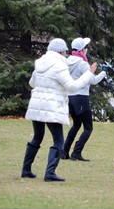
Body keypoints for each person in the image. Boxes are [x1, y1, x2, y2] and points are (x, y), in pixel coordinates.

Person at [21, 38, 97, 182]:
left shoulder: (40, 64)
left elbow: (32, 83)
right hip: (52, 107)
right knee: (58, 141)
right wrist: (89, 74)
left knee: (37, 137)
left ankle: (26, 169)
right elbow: (72, 86)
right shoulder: (59, 65)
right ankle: (50, 173)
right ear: (61, 51)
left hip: (37, 106)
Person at [61, 37, 107, 162]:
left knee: (76, 124)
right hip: (81, 97)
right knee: (88, 127)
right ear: (82, 49)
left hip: (70, 97)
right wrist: (103, 73)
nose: (86, 49)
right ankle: (76, 152)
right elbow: (93, 80)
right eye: (85, 47)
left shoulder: (66, 61)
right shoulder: (82, 63)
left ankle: (64, 151)